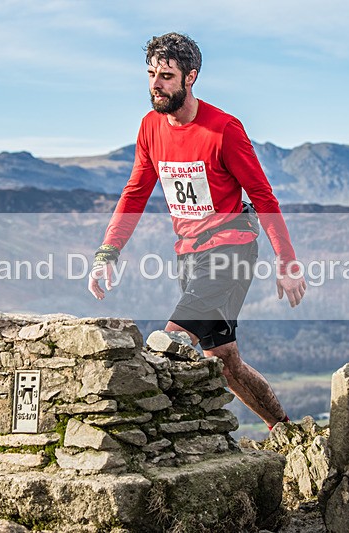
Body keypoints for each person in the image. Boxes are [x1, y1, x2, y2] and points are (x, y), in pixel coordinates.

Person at [87, 32, 306, 429]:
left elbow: (262, 195)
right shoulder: (150, 128)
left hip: (231, 249)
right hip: (188, 254)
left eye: (167, 75)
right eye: (151, 73)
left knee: (169, 341)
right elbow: (135, 194)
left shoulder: (223, 129)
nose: (156, 83)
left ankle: (154, 441)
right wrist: (107, 253)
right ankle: (285, 429)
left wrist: (287, 260)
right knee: (223, 360)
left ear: (191, 78)